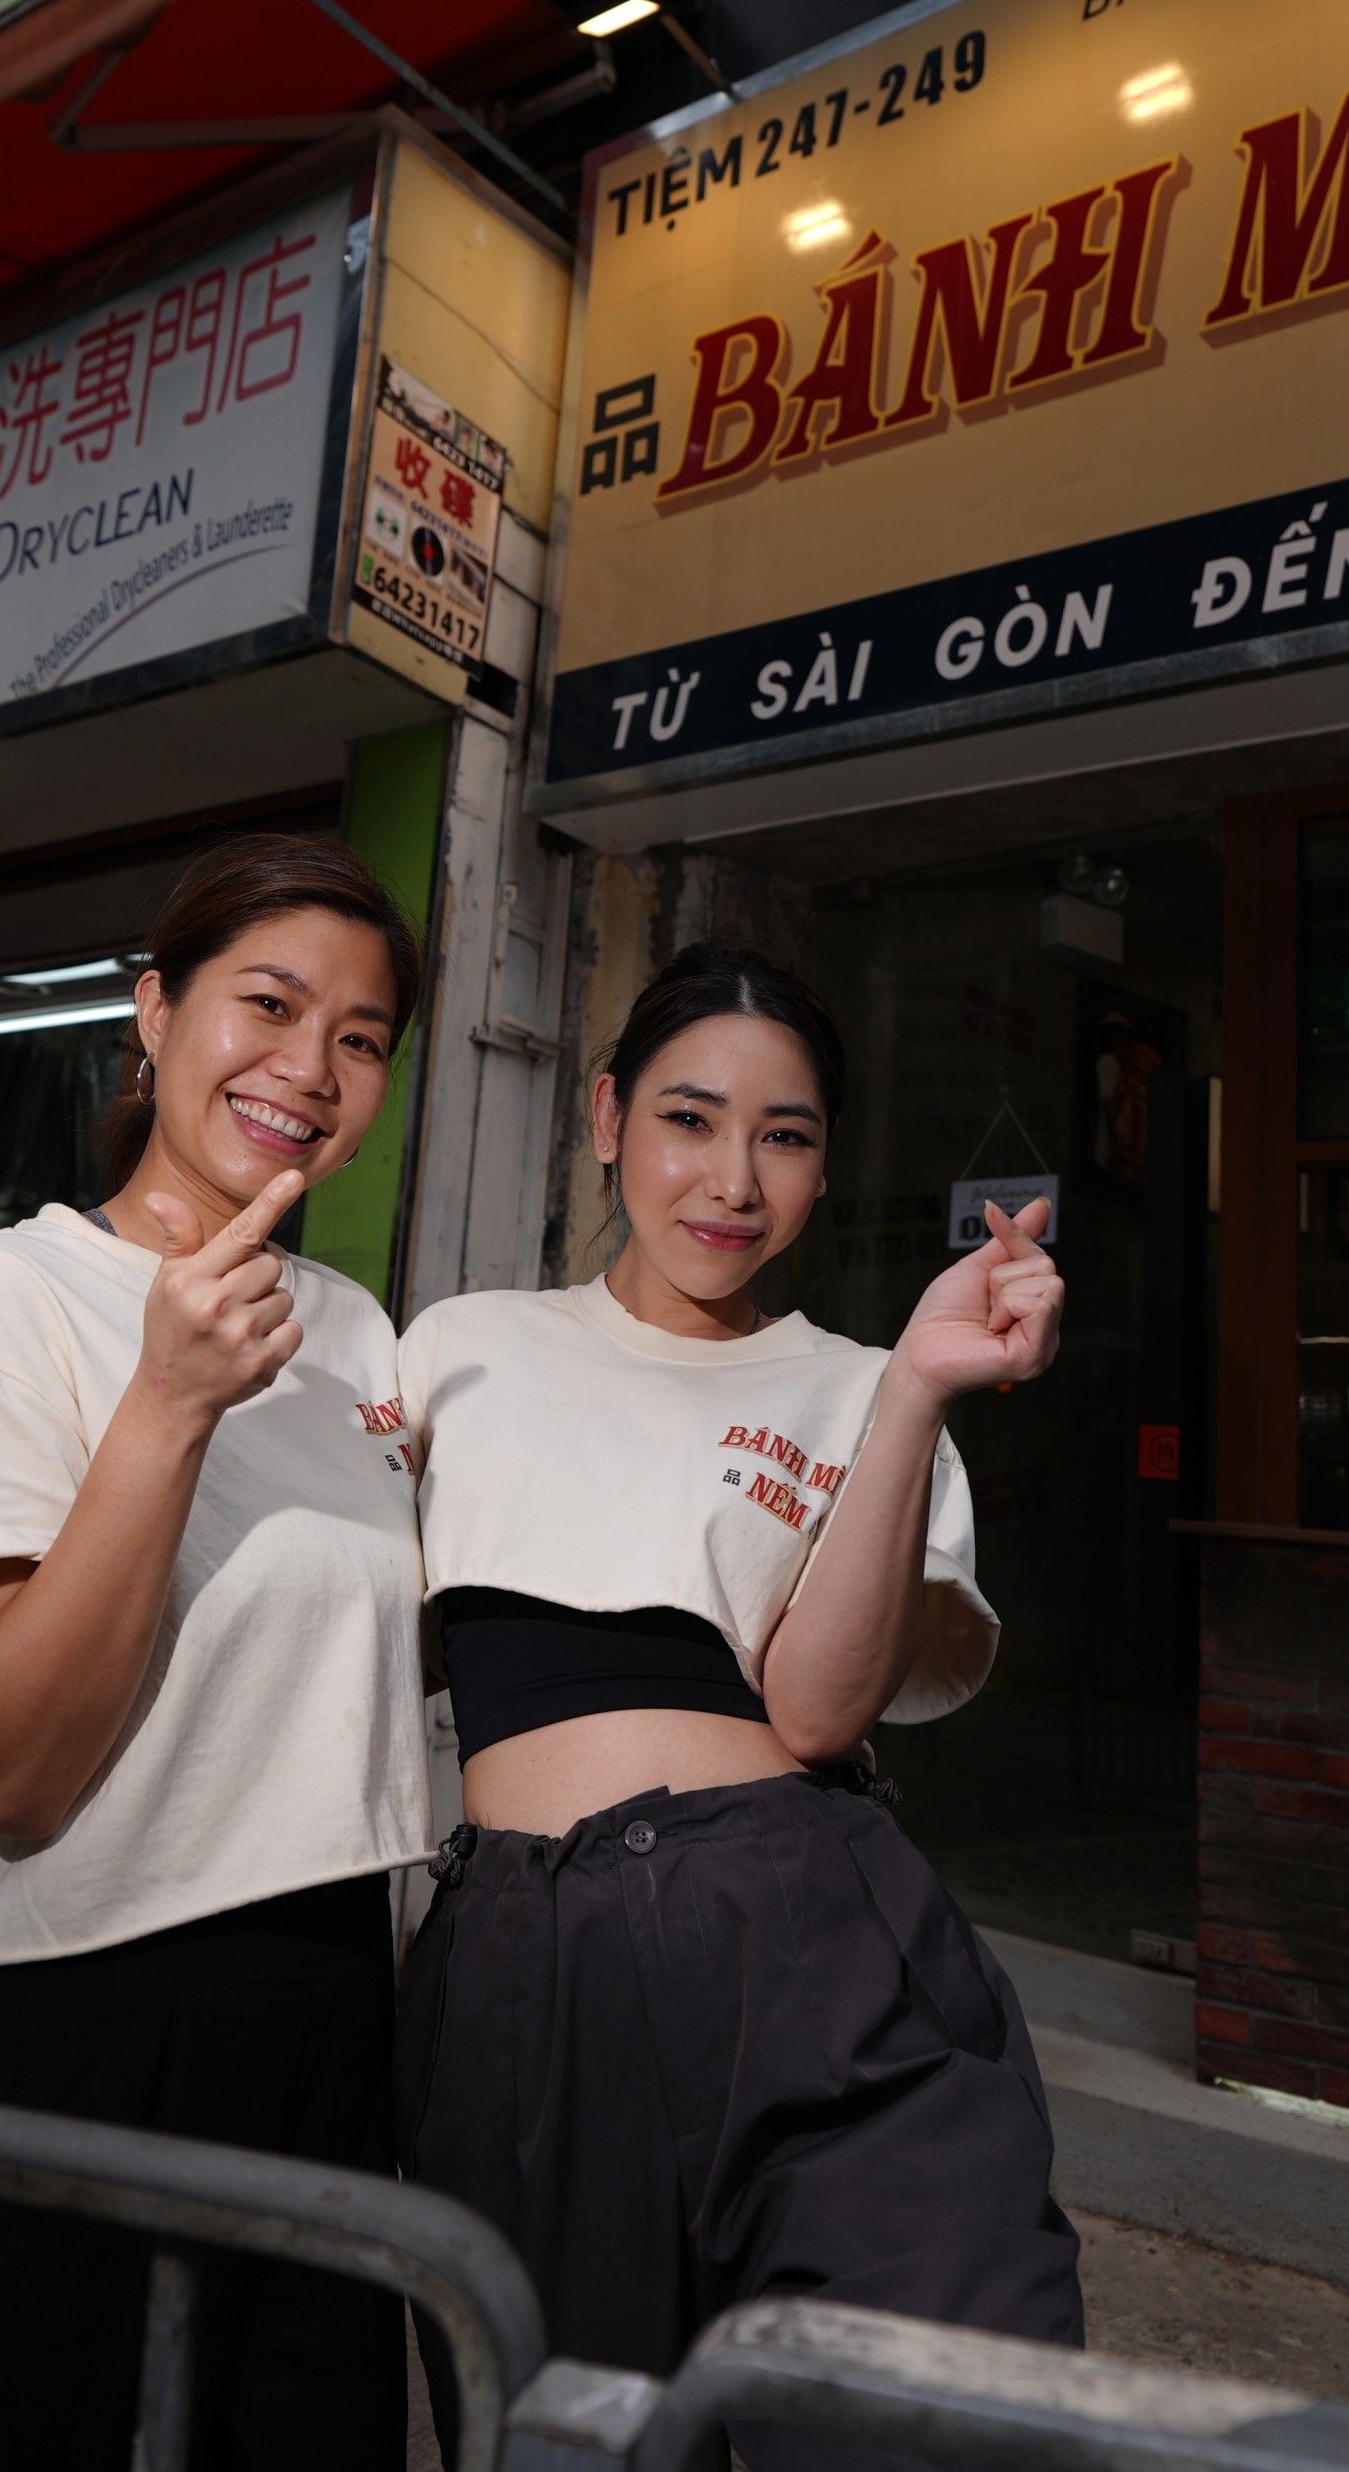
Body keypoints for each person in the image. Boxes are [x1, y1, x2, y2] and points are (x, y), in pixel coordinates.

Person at [391, 943, 1079, 2471]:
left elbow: (823, 1711)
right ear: (605, 1116)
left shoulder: (856, 1381)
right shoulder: (459, 1347)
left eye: (785, 1135)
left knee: (940, 2417)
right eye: (689, 1119)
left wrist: (913, 1390)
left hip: (806, 1930)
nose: (732, 1179)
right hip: (523, 1956)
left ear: (826, 1168)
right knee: (566, 2438)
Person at [0, 835, 431, 2472]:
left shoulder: (359, 1333)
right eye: (270, 1004)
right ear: (151, 1012)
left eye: (361, 1037)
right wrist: (165, 1405)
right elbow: (9, 1771)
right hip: (57, 2007)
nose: (311, 1068)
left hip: (326, 2018)